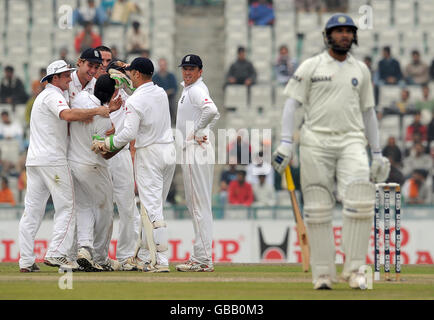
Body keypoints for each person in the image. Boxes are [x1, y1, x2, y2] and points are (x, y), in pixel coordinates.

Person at [272, 14, 390, 290]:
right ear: (328, 36)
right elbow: (292, 105)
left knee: (361, 200)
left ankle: (356, 269)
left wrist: (377, 152)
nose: (344, 35)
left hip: (351, 140)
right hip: (315, 142)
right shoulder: (311, 66)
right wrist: (286, 142)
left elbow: (369, 112)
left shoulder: (361, 69)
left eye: (349, 31)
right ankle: (323, 273)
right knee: (317, 207)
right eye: (339, 31)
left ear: (354, 36)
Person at [18, 60, 110, 273]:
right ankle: (56, 253)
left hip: (35, 161)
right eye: (66, 75)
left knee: (32, 211)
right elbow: (66, 115)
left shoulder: (46, 95)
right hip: (53, 161)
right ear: (54, 78)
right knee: (68, 207)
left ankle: (25, 261)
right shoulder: (52, 95)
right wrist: (97, 111)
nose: (70, 78)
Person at [93, 57, 176, 273]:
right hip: (169, 151)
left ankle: (161, 261)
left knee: (151, 209)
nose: (128, 74)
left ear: (137, 74)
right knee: (155, 207)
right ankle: (145, 256)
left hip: (150, 154)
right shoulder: (159, 92)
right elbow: (140, 95)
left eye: (130, 72)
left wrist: (106, 142)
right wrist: (127, 83)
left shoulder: (135, 101)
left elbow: (129, 133)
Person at [68, 74, 119, 272]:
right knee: (105, 211)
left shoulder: (81, 98)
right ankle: (101, 257)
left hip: (73, 163)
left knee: (83, 208)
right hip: (94, 167)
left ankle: (85, 249)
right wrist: (118, 139)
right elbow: (105, 154)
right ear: (113, 93)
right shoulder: (105, 121)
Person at [175, 54, 220, 272]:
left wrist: (196, 132)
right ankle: (201, 256)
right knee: (198, 205)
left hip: (195, 151)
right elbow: (214, 114)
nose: (187, 72)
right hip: (197, 150)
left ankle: (202, 259)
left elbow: (211, 111)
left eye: (192, 68)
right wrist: (203, 130)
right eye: (185, 68)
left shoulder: (195, 90)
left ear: (200, 71)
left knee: (198, 206)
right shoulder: (190, 90)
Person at [101, 55, 142, 271]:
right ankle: (99, 257)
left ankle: (126, 256)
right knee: (102, 207)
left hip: (122, 153)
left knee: (127, 207)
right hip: (101, 153)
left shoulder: (130, 95)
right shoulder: (99, 93)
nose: (121, 77)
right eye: (118, 72)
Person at [152, 58, 178, 126]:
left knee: (172, 105)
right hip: (158, 98)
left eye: (164, 65)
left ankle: (173, 122)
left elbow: (175, 88)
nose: (162, 67)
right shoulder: (155, 77)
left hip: (170, 97)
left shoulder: (171, 76)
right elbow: (153, 88)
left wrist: (167, 92)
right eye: (161, 65)